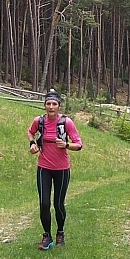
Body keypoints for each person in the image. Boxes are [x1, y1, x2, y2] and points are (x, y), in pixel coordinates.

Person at [27, 89, 82, 250]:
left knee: (58, 204)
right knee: (44, 203)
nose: (51, 107)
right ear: (44, 106)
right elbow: (30, 132)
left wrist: (65, 145)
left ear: (59, 106)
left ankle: (60, 233)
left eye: (54, 104)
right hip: (44, 167)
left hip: (62, 169)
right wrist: (32, 144)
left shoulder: (66, 122)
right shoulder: (39, 121)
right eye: (48, 104)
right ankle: (47, 236)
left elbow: (78, 144)